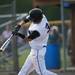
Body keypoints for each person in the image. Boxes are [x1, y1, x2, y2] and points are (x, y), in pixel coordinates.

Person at [12, 8, 57, 75]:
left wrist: (18, 34)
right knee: (23, 72)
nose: (31, 20)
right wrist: (19, 25)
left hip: (38, 52)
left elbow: (27, 39)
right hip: (35, 50)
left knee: (42, 73)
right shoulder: (42, 16)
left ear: (37, 19)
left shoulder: (39, 29)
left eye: (33, 19)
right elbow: (27, 19)